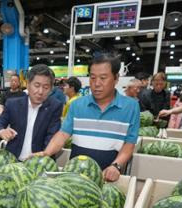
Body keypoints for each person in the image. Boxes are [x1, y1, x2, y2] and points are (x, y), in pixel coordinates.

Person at [34, 54, 139, 182]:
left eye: (103, 78)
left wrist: (116, 166)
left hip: (107, 177)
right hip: (74, 177)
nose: (96, 84)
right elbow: (62, 134)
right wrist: (46, 153)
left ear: (116, 78)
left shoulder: (130, 107)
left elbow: (129, 143)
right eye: (92, 78)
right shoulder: (77, 105)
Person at [0, 64, 63, 161]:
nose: (40, 91)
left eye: (46, 87)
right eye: (37, 86)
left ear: (51, 89)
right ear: (28, 84)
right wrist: (1, 131)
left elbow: (52, 136)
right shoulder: (13, 104)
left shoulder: (54, 106)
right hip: (14, 161)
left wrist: (43, 155)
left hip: (39, 162)